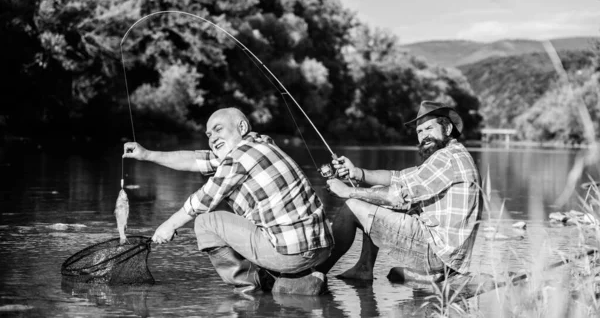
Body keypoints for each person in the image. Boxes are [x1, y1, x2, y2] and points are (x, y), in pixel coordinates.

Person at [123, 107, 333, 294]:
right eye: (208, 134)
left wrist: (169, 225)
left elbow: (204, 199)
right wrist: (147, 155)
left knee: (205, 223)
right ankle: (299, 278)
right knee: (236, 219)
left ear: (241, 127)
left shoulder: (240, 156)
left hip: (292, 253)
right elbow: (195, 160)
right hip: (321, 248)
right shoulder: (259, 144)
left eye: (218, 129)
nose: (212, 137)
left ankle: (251, 288)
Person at [316, 101, 482, 281]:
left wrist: (348, 192)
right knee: (377, 191)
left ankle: (314, 272)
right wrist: (357, 173)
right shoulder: (452, 154)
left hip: (438, 254)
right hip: (447, 255)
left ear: (447, 128)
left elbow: (397, 196)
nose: (424, 136)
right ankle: (364, 268)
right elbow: (399, 177)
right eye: (420, 131)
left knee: (352, 207)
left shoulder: (446, 158)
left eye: (429, 128)